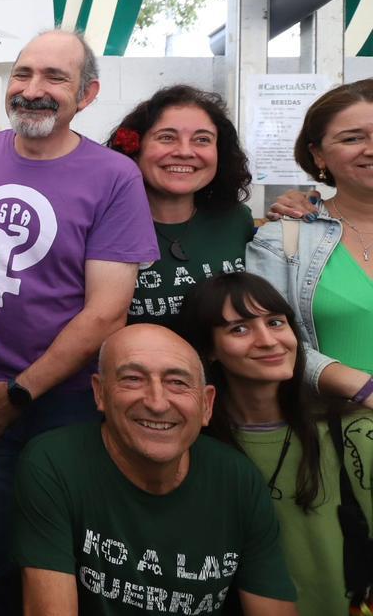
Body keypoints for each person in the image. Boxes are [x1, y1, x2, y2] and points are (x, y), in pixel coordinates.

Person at [0, 29, 158, 613]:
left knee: (62, 560)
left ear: (87, 94)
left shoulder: (114, 177)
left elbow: (107, 311)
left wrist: (22, 392)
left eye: (55, 78)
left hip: (63, 406)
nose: (33, 89)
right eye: (23, 74)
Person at [12, 323, 298, 616]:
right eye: (133, 379)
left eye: (177, 382)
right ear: (99, 393)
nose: (157, 403)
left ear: (206, 405)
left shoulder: (237, 480)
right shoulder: (55, 463)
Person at [180, 271, 373, 615]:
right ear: (208, 349)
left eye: (276, 322)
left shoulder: (353, 429)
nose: (268, 341)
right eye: (239, 328)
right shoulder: (192, 447)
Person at [248, 79, 373, 407]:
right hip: (333, 429)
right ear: (318, 154)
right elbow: (268, 338)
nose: (370, 148)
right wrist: (363, 388)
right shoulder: (286, 236)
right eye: (352, 138)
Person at [105, 85, 254, 329]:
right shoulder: (101, 225)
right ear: (134, 148)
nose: (185, 152)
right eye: (167, 137)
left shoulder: (238, 220)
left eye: (202, 140)